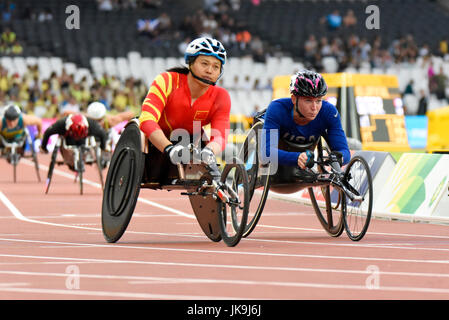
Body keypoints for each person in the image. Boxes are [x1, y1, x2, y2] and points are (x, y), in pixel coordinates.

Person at [138, 36, 230, 179]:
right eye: (204, 63)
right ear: (190, 63)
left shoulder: (221, 96)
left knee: (213, 170)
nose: (210, 70)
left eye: (215, 67)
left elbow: (220, 135)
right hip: (155, 142)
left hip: (189, 144)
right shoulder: (166, 80)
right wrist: (169, 148)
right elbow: (146, 119)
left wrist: (210, 151)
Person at [262, 70, 350, 182]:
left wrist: (339, 157)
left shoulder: (329, 112)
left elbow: (344, 151)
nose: (314, 107)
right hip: (276, 163)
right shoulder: (277, 109)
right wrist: (296, 157)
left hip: (305, 162)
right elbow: (266, 152)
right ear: (294, 99)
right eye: (308, 100)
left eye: (318, 101)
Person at [40, 113, 108, 170]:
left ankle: (83, 156)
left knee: (92, 143)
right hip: (68, 139)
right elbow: (47, 133)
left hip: (84, 139)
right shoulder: (61, 124)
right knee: (64, 143)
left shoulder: (92, 125)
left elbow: (103, 135)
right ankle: (70, 160)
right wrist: (44, 148)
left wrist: (102, 149)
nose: (77, 138)